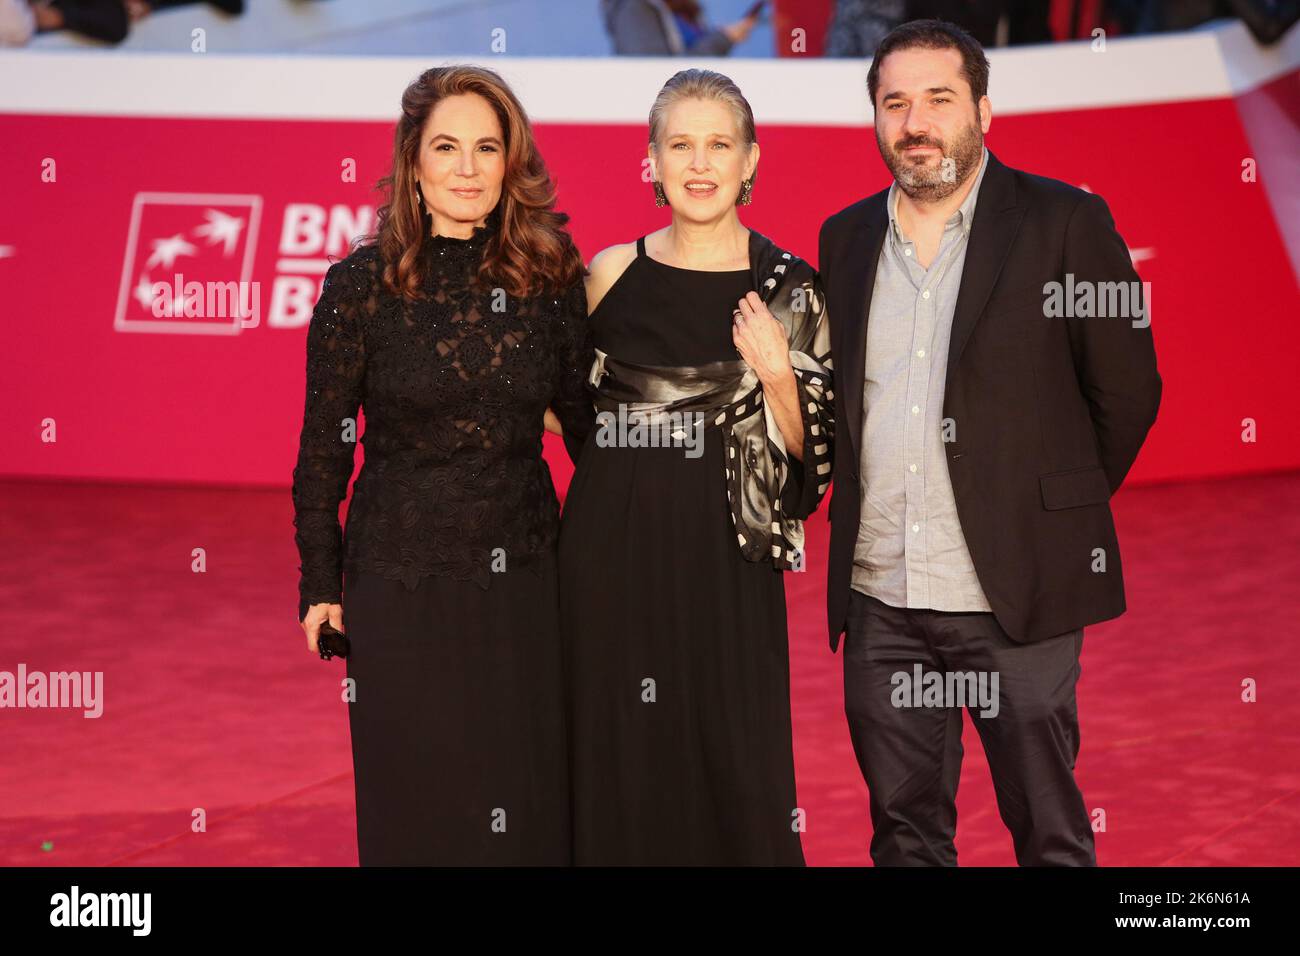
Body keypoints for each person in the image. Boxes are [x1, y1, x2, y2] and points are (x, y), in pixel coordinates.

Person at [819, 19, 1161, 865]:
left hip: (1016, 595)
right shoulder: (846, 238)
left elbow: (1127, 393)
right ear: (874, 119)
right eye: (894, 102)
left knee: (1049, 836)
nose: (916, 121)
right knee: (905, 837)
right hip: (882, 597)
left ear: (984, 110)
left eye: (938, 98)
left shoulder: (1066, 222)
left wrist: (1046, 511)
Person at [291, 65, 594, 866]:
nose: (467, 168)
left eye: (486, 148)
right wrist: (320, 583)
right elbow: (326, 442)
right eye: (447, 147)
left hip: (525, 582)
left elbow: (589, 431)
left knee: (524, 804)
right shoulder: (361, 285)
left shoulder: (552, 276)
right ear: (414, 165)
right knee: (417, 806)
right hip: (399, 580)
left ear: (510, 163)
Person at [559, 68, 834, 865]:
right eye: (681, 144)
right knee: (618, 757)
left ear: (751, 160)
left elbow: (812, 468)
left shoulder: (789, 289)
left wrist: (778, 373)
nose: (701, 162)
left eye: (720, 144)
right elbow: (559, 404)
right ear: (651, 161)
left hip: (726, 564)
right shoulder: (608, 273)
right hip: (608, 558)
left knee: (732, 760)